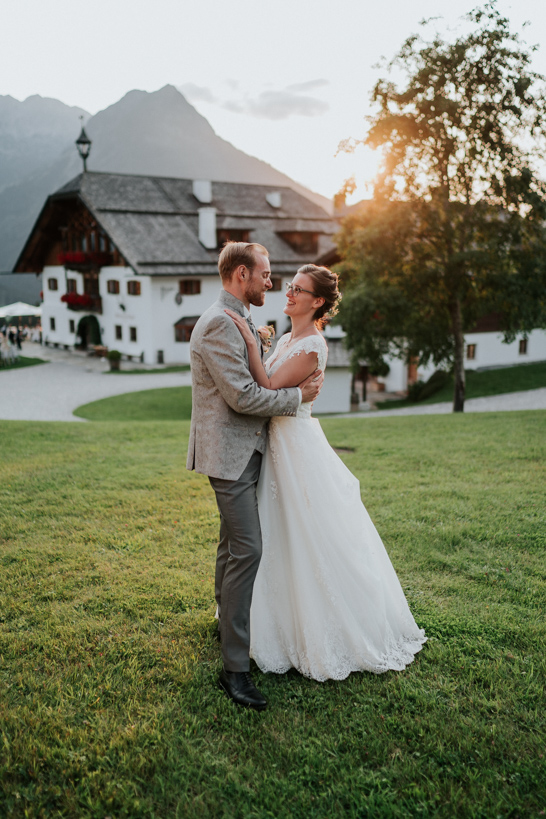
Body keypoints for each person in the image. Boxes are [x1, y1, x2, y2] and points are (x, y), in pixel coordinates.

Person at [225, 264, 426, 682]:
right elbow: (271, 386)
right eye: (290, 286)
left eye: (299, 290)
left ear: (317, 301)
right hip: (275, 445)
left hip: (295, 449)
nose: (289, 293)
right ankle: (264, 624)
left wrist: (248, 341)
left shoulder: (312, 346)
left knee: (308, 536)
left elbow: (265, 389)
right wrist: (263, 346)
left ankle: (321, 629)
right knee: (274, 535)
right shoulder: (286, 338)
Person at [187, 242, 324, 710]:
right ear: (241, 274)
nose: (272, 282)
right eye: (265, 275)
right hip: (229, 455)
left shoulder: (240, 319)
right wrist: (297, 398)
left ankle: (225, 623)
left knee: (231, 546)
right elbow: (244, 397)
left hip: (248, 451)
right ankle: (235, 671)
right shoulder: (217, 325)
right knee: (249, 549)